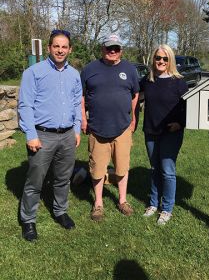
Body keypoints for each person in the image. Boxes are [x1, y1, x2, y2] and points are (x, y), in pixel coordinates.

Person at [18, 30, 82, 241]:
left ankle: (60, 211)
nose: (60, 50)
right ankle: (28, 220)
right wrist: (30, 134)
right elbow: (25, 105)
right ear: (49, 48)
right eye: (56, 46)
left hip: (67, 135)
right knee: (35, 180)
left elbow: (76, 103)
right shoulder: (33, 72)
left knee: (63, 178)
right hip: (42, 135)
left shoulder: (74, 74)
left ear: (70, 49)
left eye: (64, 47)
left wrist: (76, 129)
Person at [81, 34, 139, 221]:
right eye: (109, 48)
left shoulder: (129, 69)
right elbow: (81, 97)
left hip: (122, 128)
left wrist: (133, 119)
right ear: (102, 48)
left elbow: (135, 95)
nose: (112, 51)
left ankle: (122, 200)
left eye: (116, 48)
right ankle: (98, 203)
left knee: (122, 168)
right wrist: (83, 118)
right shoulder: (90, 69)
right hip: (97, 128)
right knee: (97, 169)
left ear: (121, 50)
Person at [140, 44, 188, 225]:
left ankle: (166, 208)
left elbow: (188, 106)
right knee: (154, 169)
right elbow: (132, 93)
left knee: (167, 171)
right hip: (151, 131)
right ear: (153, 59)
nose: (161, 61)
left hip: (171, 132)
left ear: (170, 61)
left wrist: (180, 123)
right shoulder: (148, 80)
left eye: (165, 59)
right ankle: (153, 203)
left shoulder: (178, 81)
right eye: (158, 58)